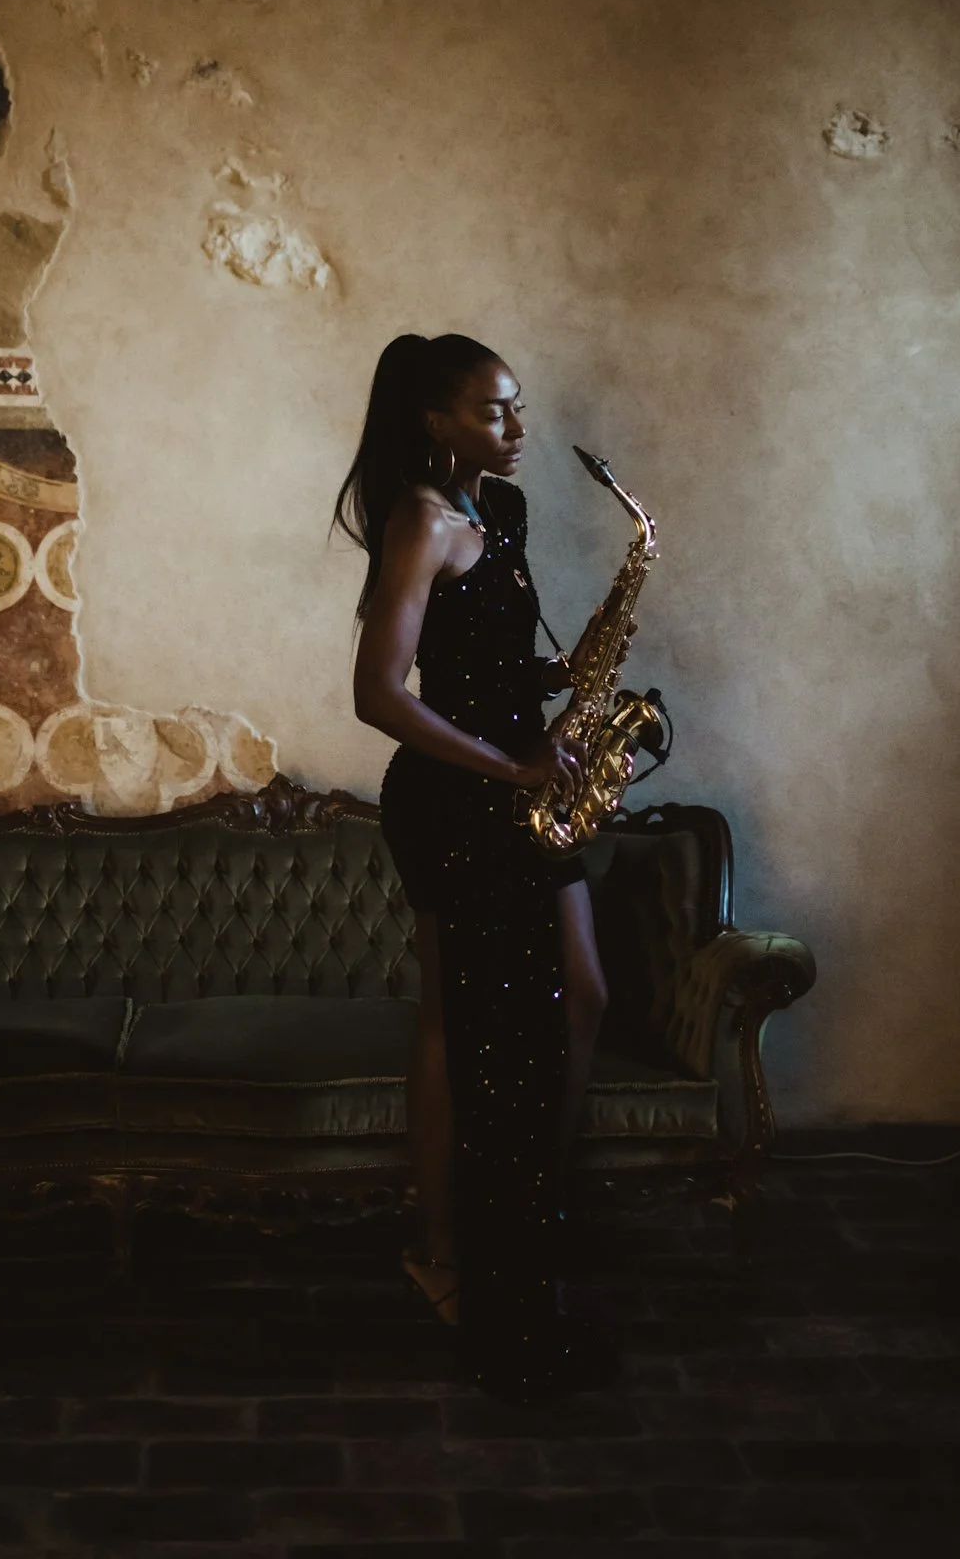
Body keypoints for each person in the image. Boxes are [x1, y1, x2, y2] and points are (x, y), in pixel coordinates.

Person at [334, 332, 617, 1401]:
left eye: (518, 405)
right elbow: (379, 693)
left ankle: (530, 1207)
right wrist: (511, 762)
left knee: (582, 991)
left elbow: (483, 657)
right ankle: (449, 1247)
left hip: (520, 790)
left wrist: (563, 664)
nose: (518, 425)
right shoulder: (420, 520)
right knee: (462, 1021)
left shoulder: (499, 513)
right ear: (435, 421)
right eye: (494, 410)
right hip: (461, 800)